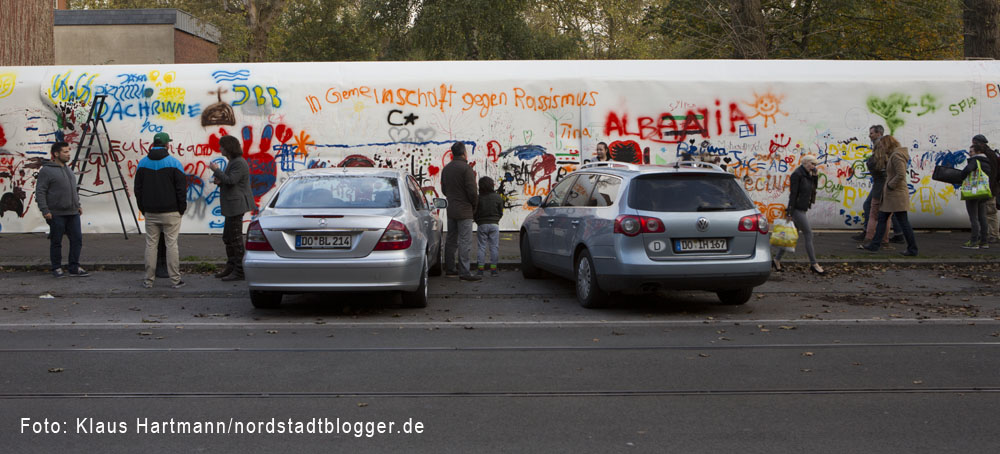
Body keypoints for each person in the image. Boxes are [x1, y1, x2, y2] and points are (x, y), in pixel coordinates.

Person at [134, 132, 188, 289]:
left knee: (151, 244)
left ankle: (148, 280)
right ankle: (175, 280)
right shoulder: (174, 163)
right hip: (171, 211)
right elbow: (181, 189)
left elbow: (138, 189)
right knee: (172, 244)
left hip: (150, 211)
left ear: (153, 144)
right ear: (167, 145)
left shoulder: (142, 163)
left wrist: (143, 208)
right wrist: (181, 208)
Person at [35, 141, 89, 278]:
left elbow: (73, 190)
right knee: (56, 241)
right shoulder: (46, 171)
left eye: (68, 151)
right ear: (56, 154)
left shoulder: (68, 169)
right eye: (65, 152)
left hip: (72, 212)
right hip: (56, 213)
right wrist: (45, 210)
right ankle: (57, 267)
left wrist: (78, 205)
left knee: (77, 239)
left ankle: (74, 267)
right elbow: (40, 191)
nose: (68, 154)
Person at [862, 135, 918, 256]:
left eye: (882, 145)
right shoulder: (895, 155)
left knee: (903, 221)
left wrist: (889, 186)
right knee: (882, 218)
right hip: (892, 195)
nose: (881, 148)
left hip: (896, 194)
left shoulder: (897, 156)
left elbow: (901, 174)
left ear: (887, 144)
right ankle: (874, 245)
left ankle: (912, 249)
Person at [209, 135, 255, 281]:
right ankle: (231, 266)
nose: (220, 148)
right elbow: (230, 182)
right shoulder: (233, 162)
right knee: (228, 237)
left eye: (221, 146)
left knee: (235, 238)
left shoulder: (239, 163)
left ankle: (240, 271)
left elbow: (232, 180)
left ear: (228, 148)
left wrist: (217, 171)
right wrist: (219, 180)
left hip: (236, 205)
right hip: (232, 205)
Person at [772, 155, 825, 275]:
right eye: (812, 164)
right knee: (808, 234)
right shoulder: (797, 174)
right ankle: (814, 264)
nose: (813, 167)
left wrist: (815, 177)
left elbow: (813, 189)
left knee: (789, 236)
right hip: (797, 210)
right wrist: (790, 212)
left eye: (815, 165)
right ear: (805, 163)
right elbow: (793, 194)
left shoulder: (808, 174)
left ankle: (776, 260)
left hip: (803, 208)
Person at [441, 142, 481, 281]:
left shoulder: (446, 169)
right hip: (464, 210)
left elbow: (444, 190)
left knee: (451, 240)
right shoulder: (466, 169)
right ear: (464, 153)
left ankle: (450, 269)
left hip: (451, 209)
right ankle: (464, 272)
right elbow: (472, 191)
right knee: (465, 241)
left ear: (452, 153)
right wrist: (474, 206)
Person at [856, 134, 893, 249]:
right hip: (888, 190)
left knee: (873, 216)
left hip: (877, 189)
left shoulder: (871, 161)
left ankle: (869, 238)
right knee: (887, 217)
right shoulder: (890, 160)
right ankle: (885, 240)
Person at [959, 140, 994, 249]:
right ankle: (984, 241)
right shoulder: (987, 161)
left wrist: (961, 175)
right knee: (982, 217)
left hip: (973, 192)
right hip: (983, 192)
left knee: (973, 217)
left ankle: (974, 241)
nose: (970, 153)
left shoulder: (975, 161)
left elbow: (966, 171)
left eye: (971, 151)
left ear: (977, 151)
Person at [972, 134, 999, 243]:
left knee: (990, 212)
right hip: (989, 187)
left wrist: (988, 187)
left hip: (989, 188)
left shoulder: (988, 155)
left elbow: (992, 173)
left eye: (974, 143)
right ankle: (988, 234)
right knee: (986, 212)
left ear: (979, 143)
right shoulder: (990, 154)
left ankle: (994, 235)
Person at [474, 176, 503, 277]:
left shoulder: (478, 198)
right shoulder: (498, 197)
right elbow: (500, 212)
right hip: (494, 225)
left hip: (482, 224)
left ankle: (480, 270)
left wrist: (478, 221)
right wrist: (496, 220)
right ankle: (494, 270)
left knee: (481, 247)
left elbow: (475, 212)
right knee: (494, 247)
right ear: (492, 185)